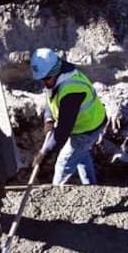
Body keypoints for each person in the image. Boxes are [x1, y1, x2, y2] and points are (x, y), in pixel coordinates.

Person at [30, 47, 107, 185]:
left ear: (55, 72)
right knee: (80, 155)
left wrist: (44, 153)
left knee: (63, 164)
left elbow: (63, 131)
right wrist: (49, 119)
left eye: (46, 79)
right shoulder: (55, 78)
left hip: (88, 128)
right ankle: (92, 187)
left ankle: (56, 196)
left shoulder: (71, 91)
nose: (44, 82)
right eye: (41, 79)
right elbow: (50, 97)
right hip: (82, 124)